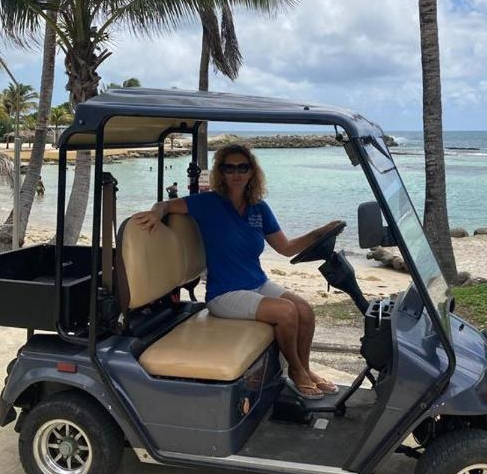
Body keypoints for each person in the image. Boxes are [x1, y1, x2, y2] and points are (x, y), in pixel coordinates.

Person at [133, 144, 343, 399]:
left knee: (305, 311)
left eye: (242, 167)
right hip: (225, 294)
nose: (236, 173)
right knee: (287, 313)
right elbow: (165, 205)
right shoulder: (207, 203)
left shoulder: (259, 208)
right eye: (229, 168)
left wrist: (320, 232)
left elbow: (286, 248)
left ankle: (307, 370)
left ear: (252, 172)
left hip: (256, 283)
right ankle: (297, 372)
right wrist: (156, 214)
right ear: (221, 172)